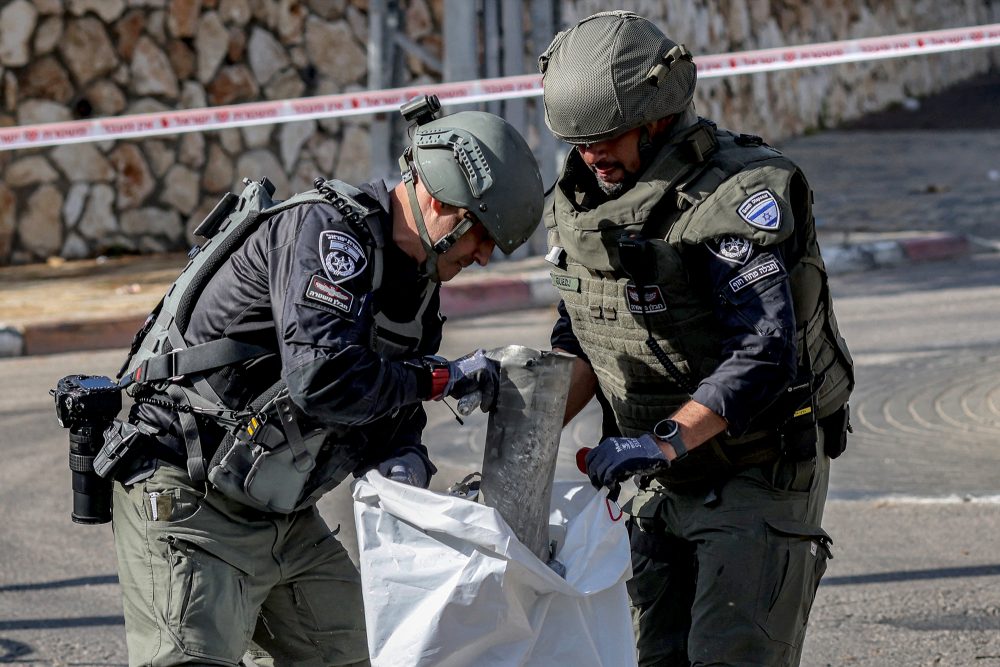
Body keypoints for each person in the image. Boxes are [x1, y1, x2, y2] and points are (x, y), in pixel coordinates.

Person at [106, 99, 544, 665]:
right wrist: (442, 379)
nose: (484, 256)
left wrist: (404, 460)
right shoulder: (328, 234)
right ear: (439, 202)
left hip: (278, 508)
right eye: (481, 235)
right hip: (191, 491)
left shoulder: (416, 282)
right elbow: (324, 378)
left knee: (359, 655)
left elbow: (389, 398)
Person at [538, 11, 854, 667]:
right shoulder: (583, 201)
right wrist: (523, 451)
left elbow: (765, 352)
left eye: (607, 136)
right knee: (650, 655)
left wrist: (660, 441)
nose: (591, 153)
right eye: (579, 140)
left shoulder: (736, 197)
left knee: (729, 654)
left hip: (755, 465)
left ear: (656, 116)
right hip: (658, 475)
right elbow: (581, 340)